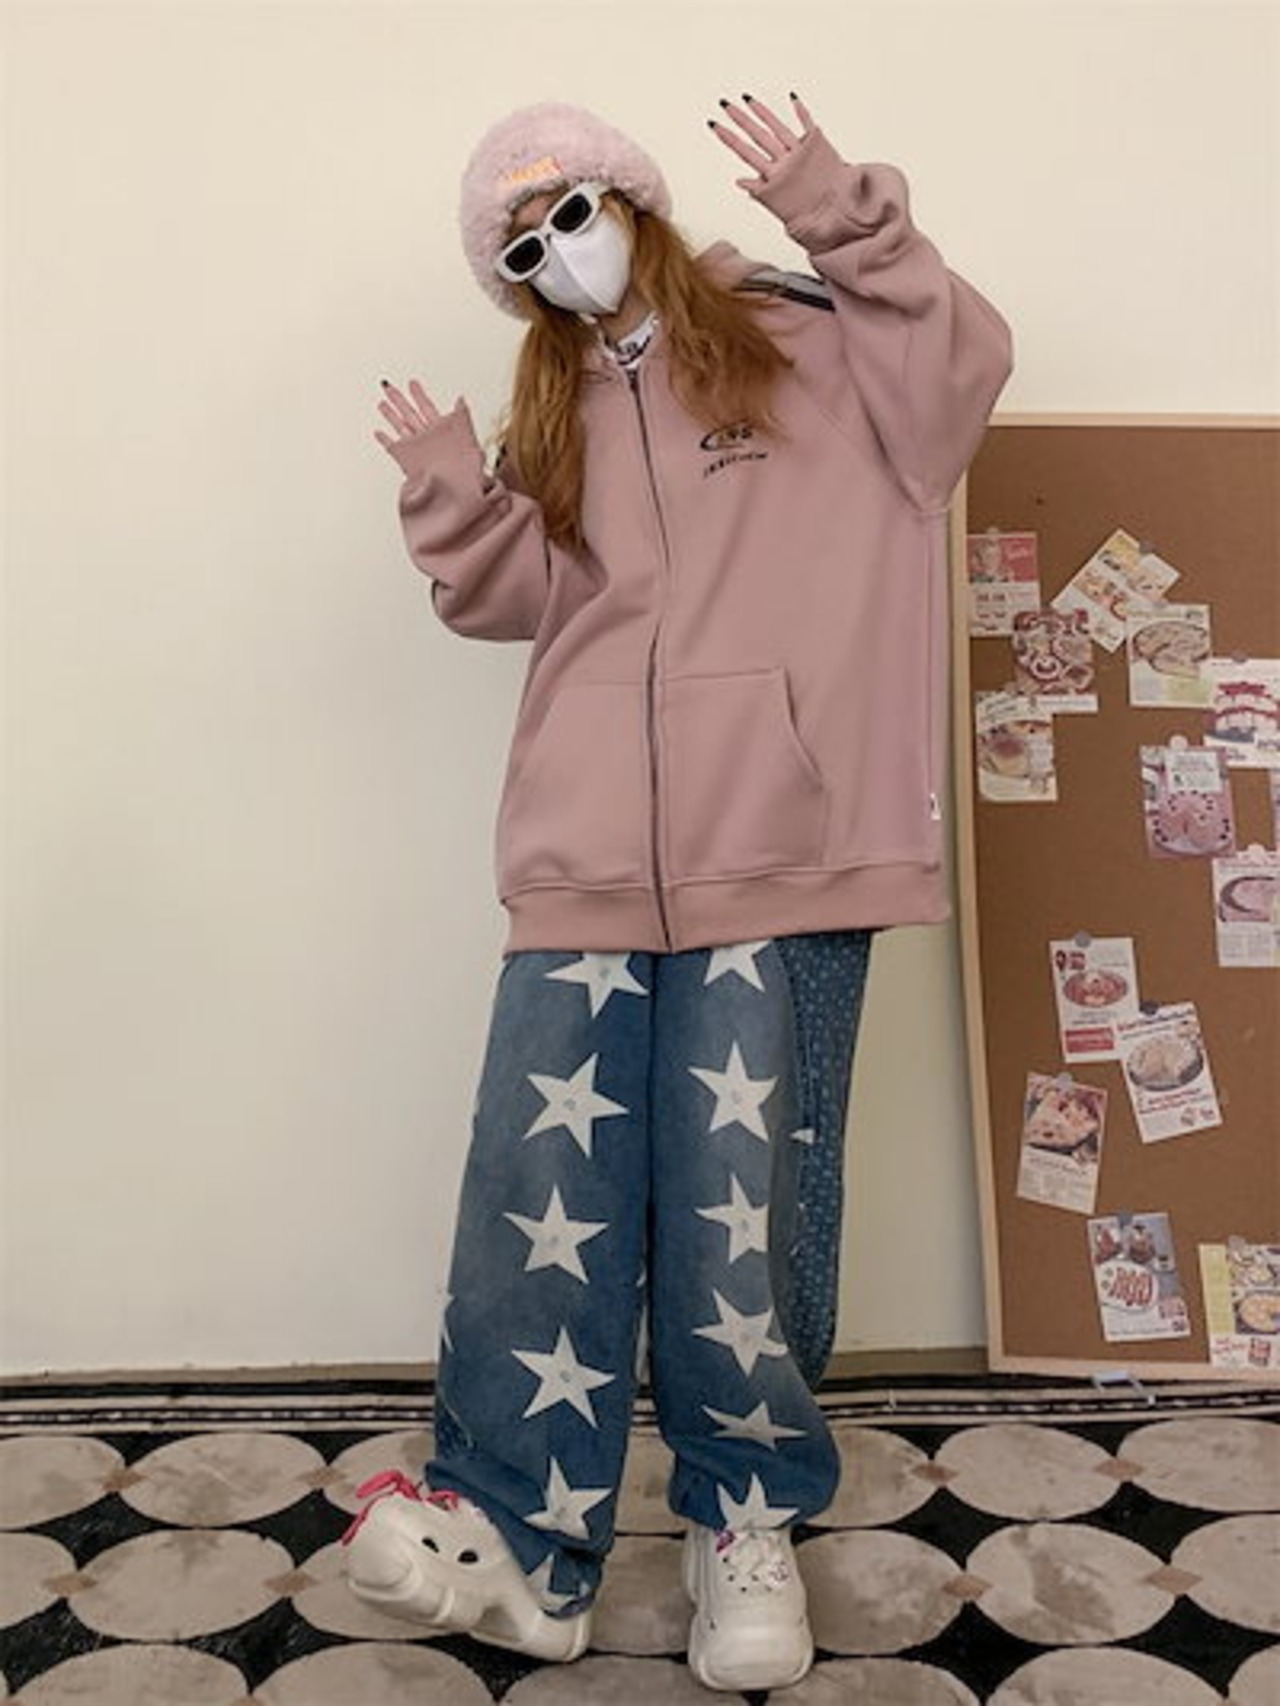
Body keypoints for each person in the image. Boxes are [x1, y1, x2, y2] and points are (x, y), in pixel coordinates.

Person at [341, 93, 1012, 1693]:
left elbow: (962, 379)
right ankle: (520, 1536)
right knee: (537, 1190)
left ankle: (744, 1516)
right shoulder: (557, 406)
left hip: (780, 845)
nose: (557, 256)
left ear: (633, 202)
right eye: (522, 249)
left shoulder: (814, 341)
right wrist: (452, 497)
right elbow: (523, 601)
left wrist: (842, 216)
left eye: (571, 213)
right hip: (584, 855)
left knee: (742, 1201)